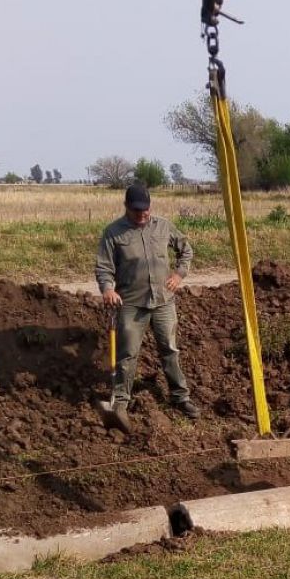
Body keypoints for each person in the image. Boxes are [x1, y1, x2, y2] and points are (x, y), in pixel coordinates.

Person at [95, 184, 199, 432]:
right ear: (126, 207)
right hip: (131, 303)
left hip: (163, 301)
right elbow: (104, 268)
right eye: (136, 210)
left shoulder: (163, 226)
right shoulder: (113, 233)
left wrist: (179, 275)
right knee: (127, 355)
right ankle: (120, 403)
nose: (142, 214)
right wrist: (108, 289)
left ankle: (180, 397)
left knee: (170, 350)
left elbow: (186, 250)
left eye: (146, 209)